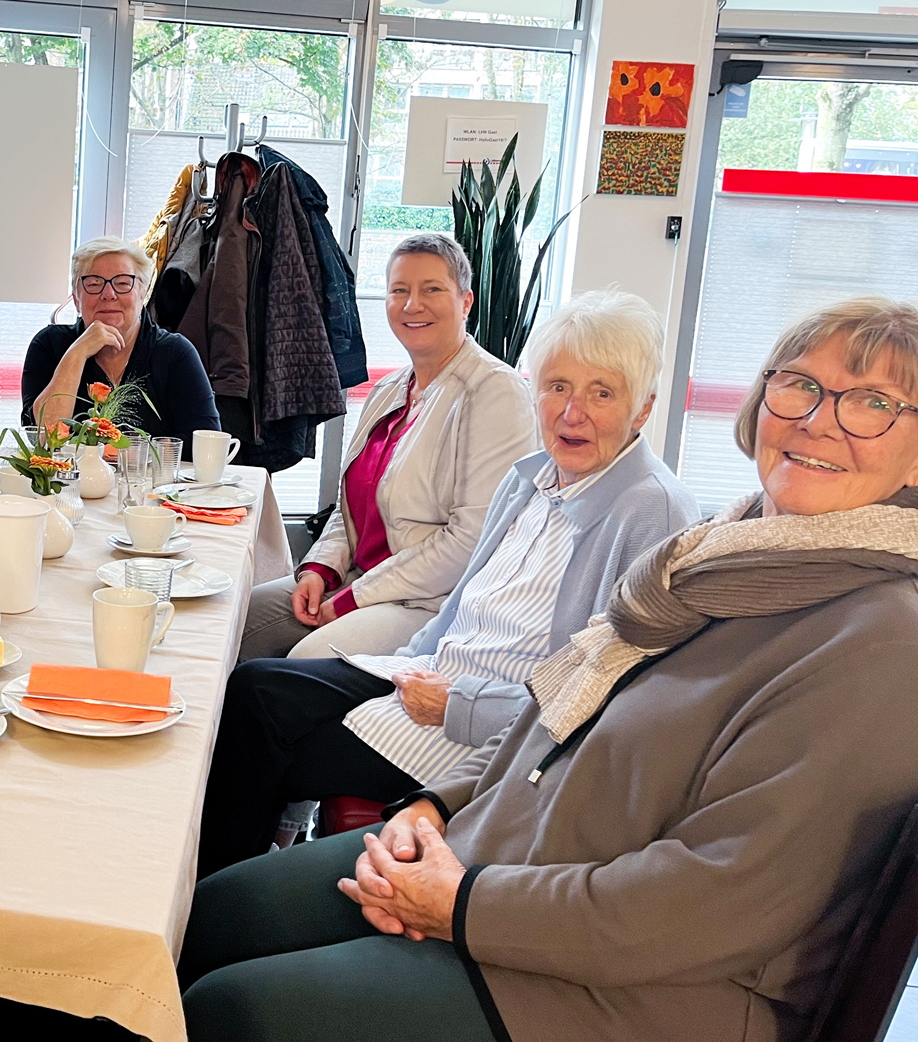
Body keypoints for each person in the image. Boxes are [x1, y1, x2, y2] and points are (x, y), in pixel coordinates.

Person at [181, 296, 918, 1042]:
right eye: (800, 385)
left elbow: (712, 904)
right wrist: (437, 805)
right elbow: (563, 713)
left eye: (876, 403)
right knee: (219, 913)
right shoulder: (718, 557)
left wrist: (460, 904)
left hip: (627, 989)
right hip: (515, 850)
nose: (819, 420)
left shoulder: (880, 636)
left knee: (229, 1010)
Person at [196, 289, 700, 876]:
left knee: (262, 740)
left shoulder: (652, 513)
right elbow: (466, 605)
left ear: (642, 409)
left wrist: (457, 704)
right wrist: (401, 667)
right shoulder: (532, 476)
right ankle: (206, 889)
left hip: (491, 736)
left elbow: (607, 702)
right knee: (255, 685)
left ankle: (208, 905)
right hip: (434, 676)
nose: (571, 412)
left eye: (602, 393)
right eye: (558, 386)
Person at [240, 233, 537, 661]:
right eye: (400, 290)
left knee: (304, 663)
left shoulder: (494, 392)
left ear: (466, 300)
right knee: (229, 622)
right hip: (360, 578)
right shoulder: (388, 390)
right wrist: (321, 569)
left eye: (432, 289)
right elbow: (351, 508)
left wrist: (353, 597)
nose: (412, 304)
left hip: (430, 602)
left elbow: (471, 539)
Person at [21, 236, 220, 455]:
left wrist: (119, 452)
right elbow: (43, 438)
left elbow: (205, 444)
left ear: (143, 294)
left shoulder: (175, 352)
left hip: (153, 487)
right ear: (76, 299)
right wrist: (76, 354)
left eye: (123, 283)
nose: (109, 294)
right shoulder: (49, 345)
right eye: (94, 284)